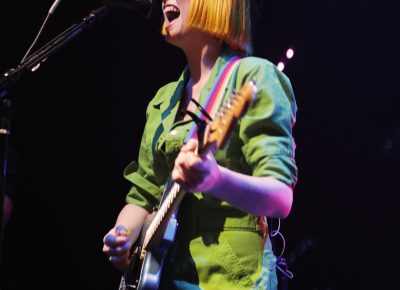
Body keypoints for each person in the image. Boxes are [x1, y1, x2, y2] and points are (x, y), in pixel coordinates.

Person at [103, 0, 298, 289]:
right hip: (166, 275)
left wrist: (215, 179)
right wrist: (123, 236)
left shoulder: (253, 77)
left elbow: (281, 198)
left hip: (230, 276)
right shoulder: (164, 100)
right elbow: (143, 195)